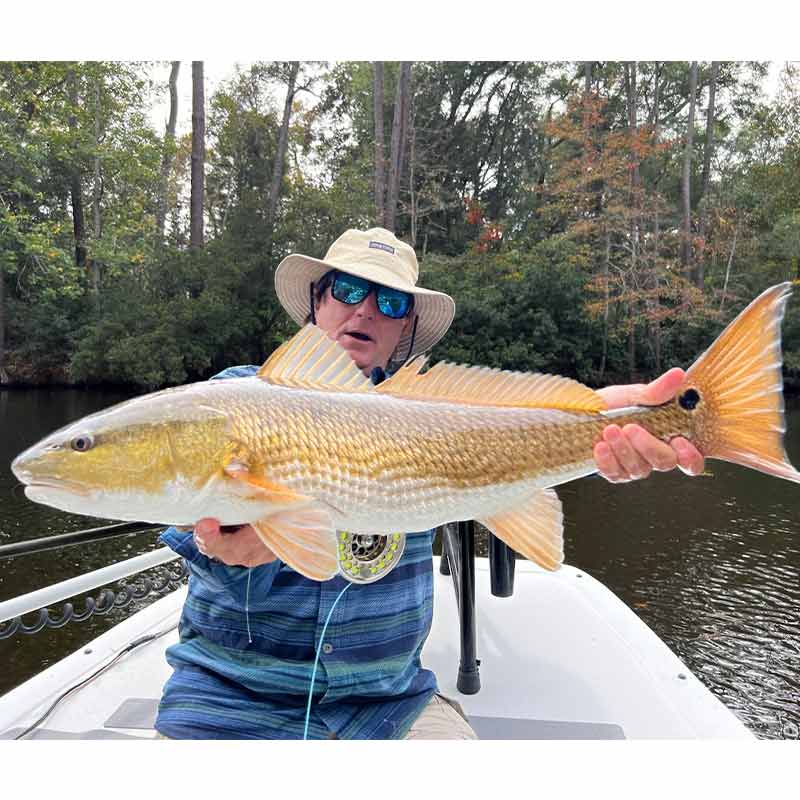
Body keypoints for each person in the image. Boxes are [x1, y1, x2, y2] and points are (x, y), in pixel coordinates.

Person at [155, 227, 704, 740]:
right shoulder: (233, 399)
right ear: (316, 301)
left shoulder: (436, 408)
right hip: (229, 696)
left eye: (391, 302)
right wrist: (215, 537)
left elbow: (529, 419)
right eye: (347, 289)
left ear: (404, 328)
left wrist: (628, 415)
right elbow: (182, 502)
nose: (366, 309)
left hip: (388, 707)